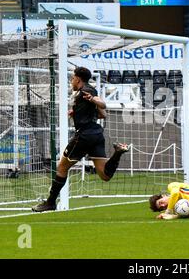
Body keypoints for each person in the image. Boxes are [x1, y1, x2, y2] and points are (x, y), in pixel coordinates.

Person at [32, 66, 130, 212]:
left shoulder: (86, 91)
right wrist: (77, 112)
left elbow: (103, 104)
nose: (71, 81)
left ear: (78, 79)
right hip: (96, 134)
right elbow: (103, 114)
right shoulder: (87, 91)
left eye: (72, 78)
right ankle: (117, 152)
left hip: (84, 135)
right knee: (104, 175)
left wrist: (94, 100)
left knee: (62, 168)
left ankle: (50, 202)